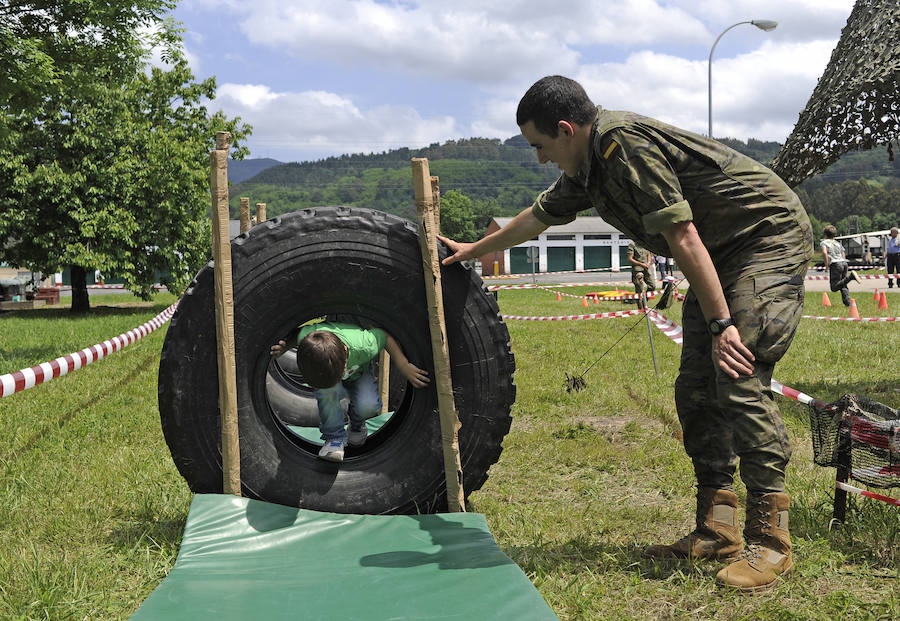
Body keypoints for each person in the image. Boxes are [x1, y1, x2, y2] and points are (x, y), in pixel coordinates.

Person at [438, 75, 813, 592]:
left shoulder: (623, 147)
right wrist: (471, 250)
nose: (541, 159)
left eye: (541, 147)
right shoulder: (587, 166)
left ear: (567, 130)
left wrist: (723, 323)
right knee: (696, 387)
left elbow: (681, 234)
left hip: (765, 239)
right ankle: (718, 528)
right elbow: (535, 219)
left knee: (737, 375)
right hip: (721, 251)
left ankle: (771, 541)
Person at [271, 322, 429, 462]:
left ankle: (356, 424)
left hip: (359, 372)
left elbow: (385, 336)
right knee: (327, 394)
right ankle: (334, 439)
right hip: (326, 371)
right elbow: (297, 333)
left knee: (369, 405)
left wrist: (403, 365)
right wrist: (284, 346)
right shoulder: (308, 338)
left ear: (346, 355)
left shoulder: (363, 344)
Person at [820, 225, 861, 306]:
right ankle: (848, 303)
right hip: (843, 262)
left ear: (825, 235)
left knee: (834, 287)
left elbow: (824, 253)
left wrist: (827, 265)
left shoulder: (824, 242)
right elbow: (843, 253)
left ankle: (851, 277)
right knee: (843, 284)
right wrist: (843, 263)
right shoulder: (837, 243)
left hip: (835, 264)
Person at [627, 242, 656, 309]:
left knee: (652, 286)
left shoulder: (645, 243)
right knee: (639, 288)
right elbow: (630, 258)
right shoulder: (632, 245)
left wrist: (648, 263)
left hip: (646, 268)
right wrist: (641, 264)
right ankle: (640, 307)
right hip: (637, 268)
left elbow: (649, 254)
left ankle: (644, 301)